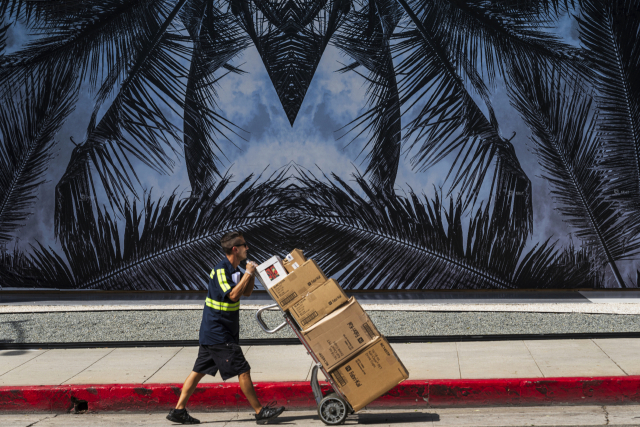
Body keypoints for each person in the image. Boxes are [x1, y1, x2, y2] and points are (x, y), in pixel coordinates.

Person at [167, 231, 285, 425]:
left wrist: (251, 274)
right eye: (244, 245)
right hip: (218, 332)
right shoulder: (222, 269)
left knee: (198, 371)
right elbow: (232, 295)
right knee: (243, 370)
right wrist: (248, 272)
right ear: (235, 249)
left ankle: (178, 411)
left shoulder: (235, 270)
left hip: (218, 331)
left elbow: (244, 293)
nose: (248, 248)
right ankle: (259, 412)